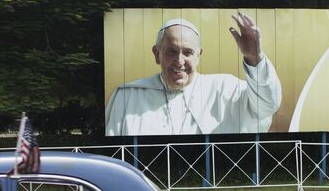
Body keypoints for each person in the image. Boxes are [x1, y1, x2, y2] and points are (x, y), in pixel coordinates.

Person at [105, 14, 282, 135]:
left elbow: (268, 104)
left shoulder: (226, 89)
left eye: (188, 52)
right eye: (171, 52)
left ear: (199, 56)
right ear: (157, 54)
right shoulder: (127, 96)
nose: (180, 61)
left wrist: (254, 59)